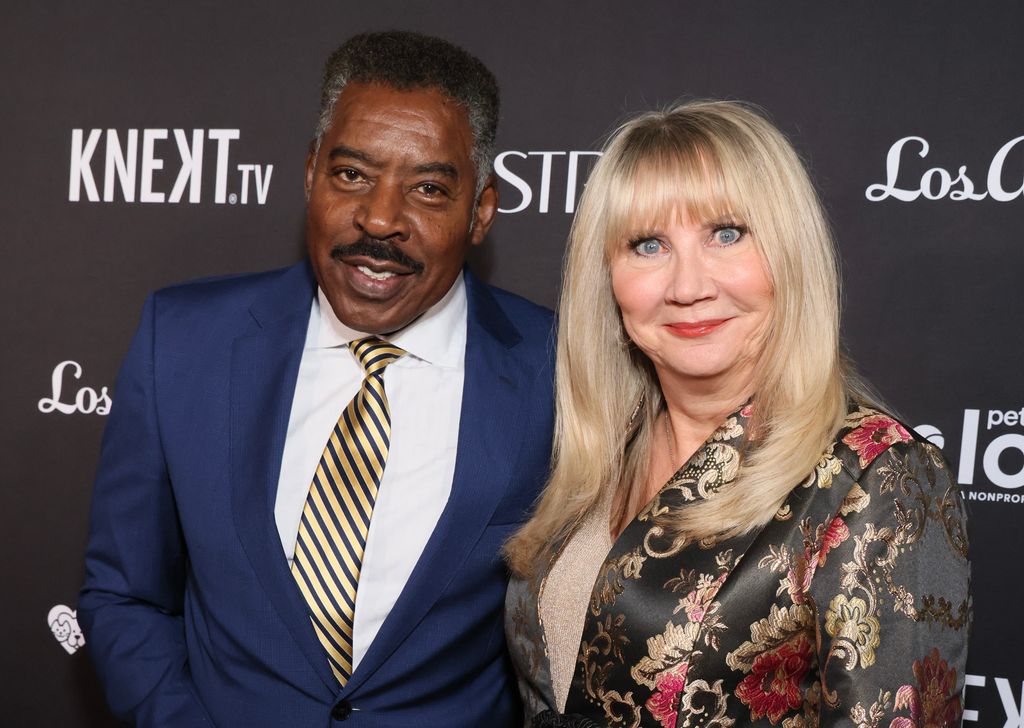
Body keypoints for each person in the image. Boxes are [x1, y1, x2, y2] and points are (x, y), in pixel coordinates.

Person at [79, 31, 554, 727]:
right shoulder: (182, 342)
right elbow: (125, 596)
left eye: (427, 189)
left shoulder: (556, 369)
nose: (380, 219)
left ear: (481, 210)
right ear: (310, 175)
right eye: (352, 175)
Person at [504, 100, 969, 728]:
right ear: (607, 280)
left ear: (790, 253)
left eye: (727, 234)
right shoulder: (605, 447)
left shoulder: (880, 476)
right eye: (648, 245)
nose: (687, 286)